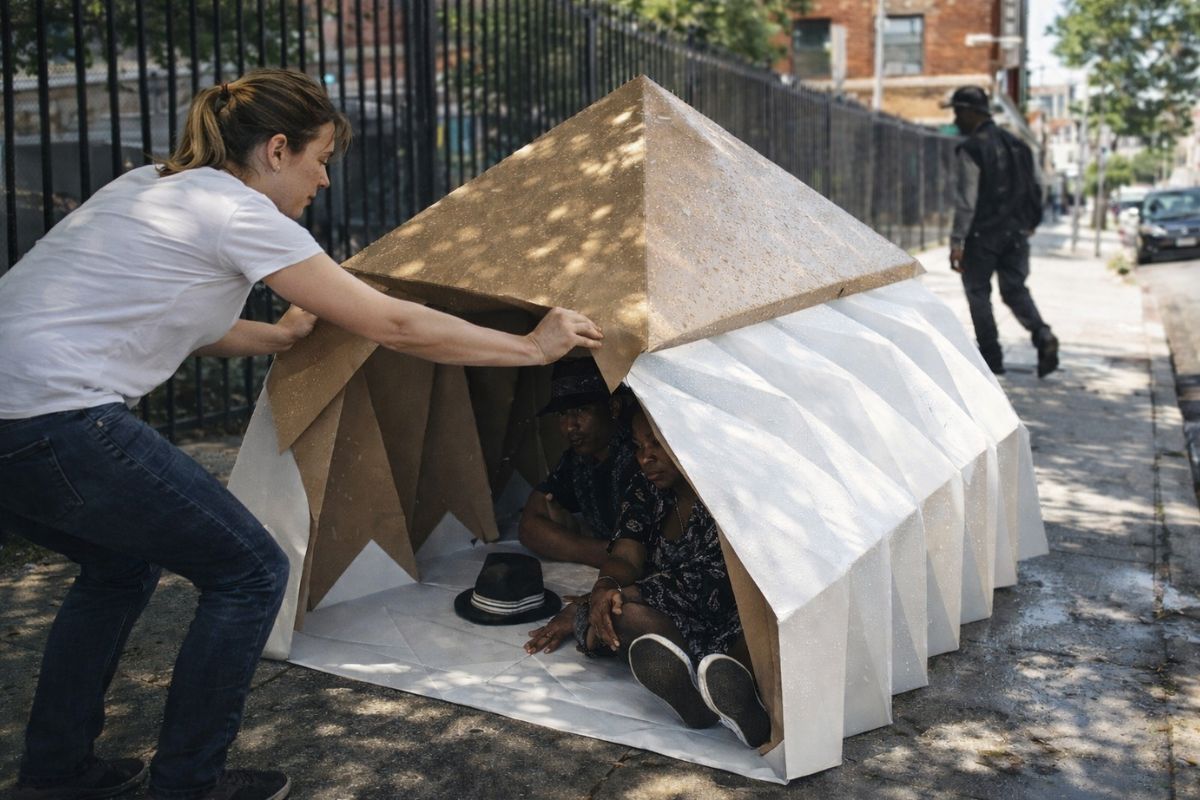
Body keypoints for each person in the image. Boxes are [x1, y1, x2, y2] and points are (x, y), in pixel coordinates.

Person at [0, 69, 602, 800]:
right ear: (277, 150)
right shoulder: (239, 213)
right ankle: (188, 784)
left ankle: (56, 774)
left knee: (118, 569)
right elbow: (391, 322)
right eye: (320, 158)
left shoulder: (146, 188)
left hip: (14, 420)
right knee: (250, 571)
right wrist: (534, 349)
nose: (322, 179)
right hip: (56, 417)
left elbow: (183, 322)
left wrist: (279, 336)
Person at [524, 405, 771, 749]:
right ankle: (700, 705)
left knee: (750, 646)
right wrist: (605, 587)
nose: (645, 458)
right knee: (622, 614)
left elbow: (714, 580)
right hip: (678, 617)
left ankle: (748, 709)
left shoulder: (725, 492)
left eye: (656, 444)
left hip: (733, 619)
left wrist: (605, 600)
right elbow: (626, 553)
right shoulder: (647, 488)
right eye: (639, 446)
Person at [945, 85, 1059, 378]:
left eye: (958, 111)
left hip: (982, 236)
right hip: (1017, 234)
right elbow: (1037, 187)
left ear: (972, 112)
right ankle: (1042, 334)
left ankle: (992, 358)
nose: (956, 119)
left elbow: (966, 201)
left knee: (978, 294)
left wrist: (957, 241)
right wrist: (1030, 222)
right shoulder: (1019, 145)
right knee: (1015, 290)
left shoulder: (972, 148)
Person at [517, 358, 638, 568]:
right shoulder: (578, 459)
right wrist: (604, 554)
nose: (569, 426)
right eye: (562, 414)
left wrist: (566, 542)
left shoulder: (639, 454)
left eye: (581, 410)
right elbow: (529, 526)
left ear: (614, 407)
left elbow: (643, 553)